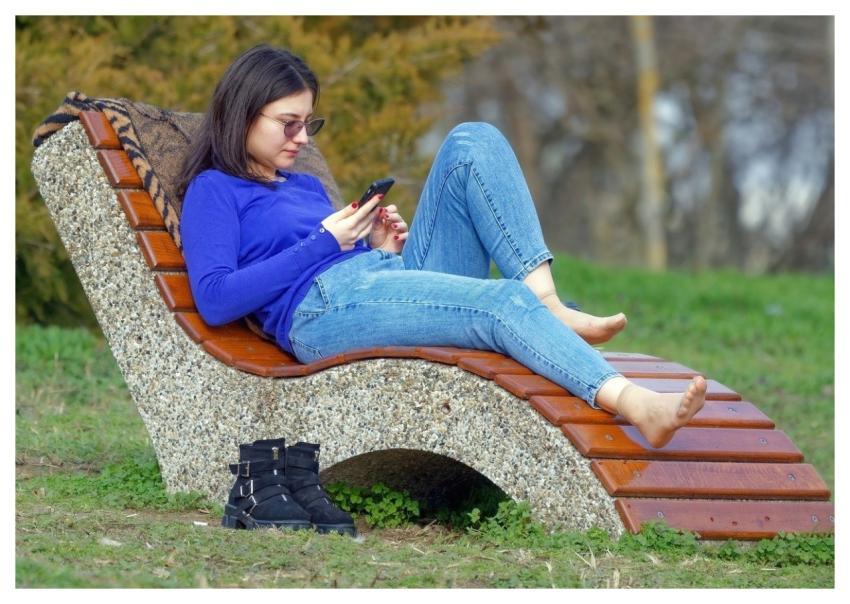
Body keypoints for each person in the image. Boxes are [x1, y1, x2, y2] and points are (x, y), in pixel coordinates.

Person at [177, 44, 706, 451]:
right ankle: (635, 404)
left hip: (367, 283)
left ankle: (545, 298)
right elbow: (217, 297)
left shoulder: (304, 186)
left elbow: (339, 258)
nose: (303, 138)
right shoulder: (215, 190)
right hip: (320, 313)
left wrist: (377, 247)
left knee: (472, 143)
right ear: (244, 113)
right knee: (500, 302)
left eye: (309, 123)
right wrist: (326, 243)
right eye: (288, 124)